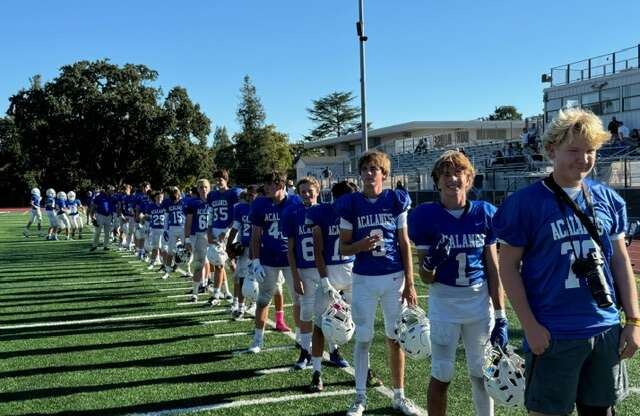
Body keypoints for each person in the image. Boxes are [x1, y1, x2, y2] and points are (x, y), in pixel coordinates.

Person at [493, 108, 640, 416]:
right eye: (574, 150)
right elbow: (507, 265)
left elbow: (621, 261)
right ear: (551, 150)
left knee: (601, 411)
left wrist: (633, 322)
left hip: (605, 326)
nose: (583, 159)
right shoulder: (526, 203)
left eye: (591, 151)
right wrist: (530, 326)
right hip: (555, 331)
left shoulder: (608, 199)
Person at [408, 150, 507, 416]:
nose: (452, 178)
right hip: (444, 302)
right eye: (446, 174)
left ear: (469, 179)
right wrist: (430, 263)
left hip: (478, 302)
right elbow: (426, 277)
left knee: (482, 373)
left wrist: (500, 314)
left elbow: (493, 267)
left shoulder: (485, 213)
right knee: (442, 374)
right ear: (437, 181)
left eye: (458, 173)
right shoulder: (424, 216)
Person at [336, 150, 419, 416]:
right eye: (366, 169)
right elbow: (343, 247)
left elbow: (405, 243)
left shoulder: (395, 200)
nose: (370, 173)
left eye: (375, 169)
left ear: (384, 174)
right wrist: (360, 245)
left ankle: (399, 395)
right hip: (363, 279)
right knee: (363, 338)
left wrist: (411, 282)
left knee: (395, 338)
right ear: (360, 174)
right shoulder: (350, 203)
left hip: (393, 277)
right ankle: (360, 397)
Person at [306, 180, 370, 393]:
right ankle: (316, 372)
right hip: (331, 274)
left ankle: (365, 369)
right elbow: (318, 249)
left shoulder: (357, 214)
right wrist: (324, 279)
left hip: (353, 273)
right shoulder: (321, 213)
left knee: (360, 324)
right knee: (320, 325)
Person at [247, 171, 302, 353]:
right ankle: (257, 339)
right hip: (268, 258)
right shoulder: (260, 204)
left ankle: (301, 337)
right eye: (266, 184)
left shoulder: (295, 202)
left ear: (281, 185)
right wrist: (255, 260)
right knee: (263, 300)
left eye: (270, 184)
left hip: (290, 259)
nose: (266, 188)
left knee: (299, 300)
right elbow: (255, 235)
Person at [283, 176, 322, 369]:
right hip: (305, 269)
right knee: (306, 312)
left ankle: (334, 350)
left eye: (310, 190)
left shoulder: (326, 211)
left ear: (318, 190)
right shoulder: (293, 213)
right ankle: (305, 351)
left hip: (325, 270)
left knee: (330, 313)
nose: (307, 194)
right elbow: (290, 249)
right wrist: (295, 275)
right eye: (302, 191)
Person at [207, 169, 242, 304]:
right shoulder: (212, 195)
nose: (217, 182)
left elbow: (237, 215)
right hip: (215, 230)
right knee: (218, 263)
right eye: (215, 179)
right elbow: (210, 215)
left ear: (226, 180)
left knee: (234, 265)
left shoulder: (234, 193)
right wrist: (209, 231)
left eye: (220, 179)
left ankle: (238, 298)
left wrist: (227, 232)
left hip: (230, 231)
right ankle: (216, 294)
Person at [227, 185, 258, 319]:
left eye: (253, 195)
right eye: (249, 195)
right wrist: (229, 245)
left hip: (259, 249)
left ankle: (254, 303)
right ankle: (240, 307)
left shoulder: (262, 208)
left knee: (257, 279)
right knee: (241, 278)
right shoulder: (240, 208)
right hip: (244, 248)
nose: (251, 197)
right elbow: (235, 228)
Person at [184, 179, 211, 302]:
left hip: (212, 235)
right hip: (199, 235)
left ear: (209, 188)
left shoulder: (213, 202)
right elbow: (188, 222)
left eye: (205, 187)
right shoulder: (193, 203)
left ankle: (217, 290)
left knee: (216, 263)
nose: (203, 189)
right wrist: (187, 239)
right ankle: (196, 291)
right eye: (200, 187)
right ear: (197, 189)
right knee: (199, 263)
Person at [90, 186, 115, 251]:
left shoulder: (112, 197)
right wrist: (92, 217)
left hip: (108, 216)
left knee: (107, 232)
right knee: (98, 231)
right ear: (107, 190)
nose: (112, 192)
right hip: (100, 215)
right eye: (111, 190)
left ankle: (106, 245)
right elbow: (93, 207)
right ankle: (94, 245)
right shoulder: (99, 197)